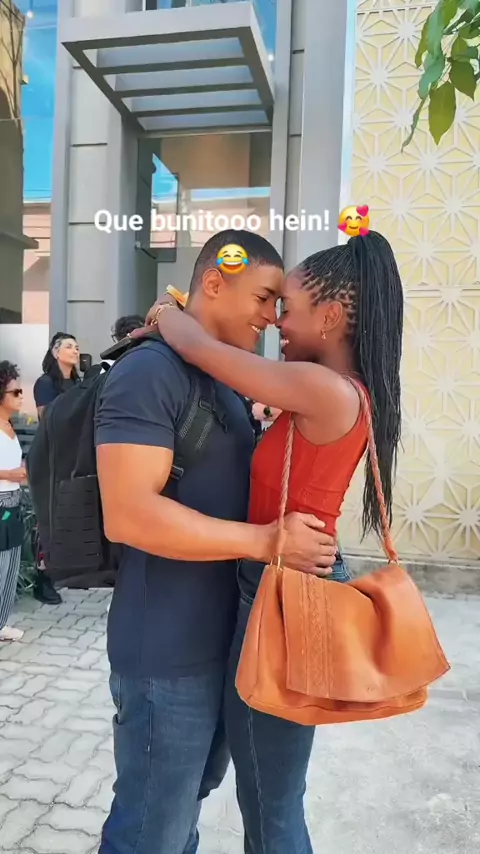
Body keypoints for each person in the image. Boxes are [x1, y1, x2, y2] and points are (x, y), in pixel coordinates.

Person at [150, 230, 403, 854]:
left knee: (271, 804)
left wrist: (165, 314)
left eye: (287, 308)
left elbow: (201, 350)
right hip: (270, 582)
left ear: (332, 316)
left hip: (287, 595)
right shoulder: (324, 391)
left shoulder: (321, 388)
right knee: (256, 787)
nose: (276, 323)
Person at [94, 229, 337, 854]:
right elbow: (128, 514)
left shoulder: (224, 377)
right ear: (212, 281)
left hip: (224, 649)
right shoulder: (149, 371)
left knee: (182, 817)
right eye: (262, 297)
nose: (272, 316)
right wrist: (264, 541)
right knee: (151, 829)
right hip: (165, 653)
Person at [32, 332, 80, 605]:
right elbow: (47, 418)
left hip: (74, 456)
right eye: (69, 346)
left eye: (77, 347)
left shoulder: (79, 383)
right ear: (55, 352)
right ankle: (43, 579)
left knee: (68, 516)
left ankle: (63, 571)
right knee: (47, 519)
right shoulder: (46, 383)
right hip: (51, 457)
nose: (75, 350)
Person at [0, 362, 27, 642]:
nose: (21, 396)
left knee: (11, 564)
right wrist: (9, 474)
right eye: (15, 392)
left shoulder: (10, 426)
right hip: (0, 502)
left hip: (14, 501)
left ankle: (1, 622)